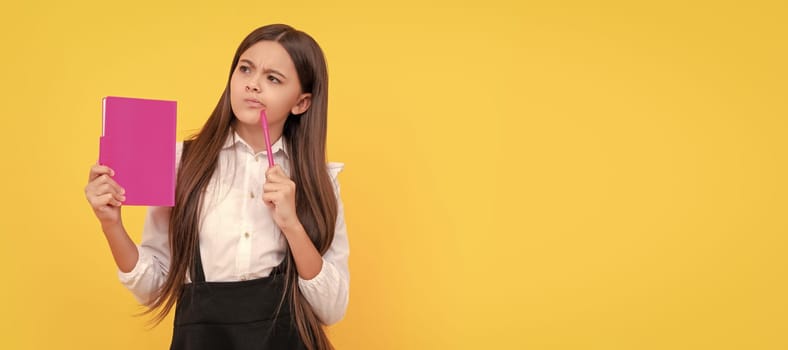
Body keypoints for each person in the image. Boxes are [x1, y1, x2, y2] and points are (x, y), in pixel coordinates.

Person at [84, 24, 349, 350]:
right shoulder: (179, 163)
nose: (253, 84)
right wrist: (111, 224)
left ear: (301, 103)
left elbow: (332, 309)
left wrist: (291, 224)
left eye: (273, 78)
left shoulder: (317, 180)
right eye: (245, 69)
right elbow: (153, 287)